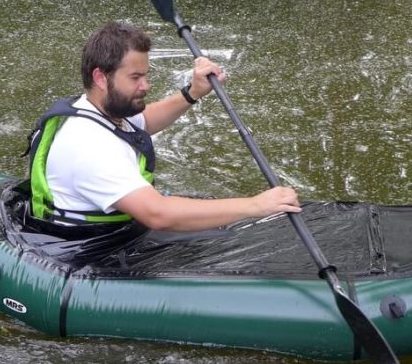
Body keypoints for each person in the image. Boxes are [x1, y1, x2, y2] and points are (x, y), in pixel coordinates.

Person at [25, 22, 300, 233]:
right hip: (89, 250)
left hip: (115, 232)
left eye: (145, 75)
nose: (146, 85)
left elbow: (145, 121)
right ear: (100, 76)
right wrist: (255, 205)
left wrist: (193, 92)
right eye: (135, 77)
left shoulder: (99, 107)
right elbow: (158, 215)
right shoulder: (89, 146)